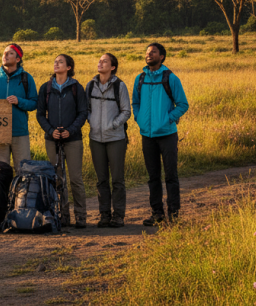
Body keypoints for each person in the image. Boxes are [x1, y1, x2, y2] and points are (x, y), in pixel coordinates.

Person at [133, 42, 189, 226]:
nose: (149, 54)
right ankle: (157, 213)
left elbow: (183, 104)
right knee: (153, 177)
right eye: (147, 52)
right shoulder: (140, 78)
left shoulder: (170, 78)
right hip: (147, 135)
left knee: (171, 176)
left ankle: (173, 214)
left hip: (167, 135)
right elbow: (135, 103)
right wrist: (139, 118)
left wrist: (168, 119)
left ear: (162, 56)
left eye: (153, 52)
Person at [36, 54, 89, 228]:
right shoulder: (45, 88)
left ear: (68, 67)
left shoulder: (76, 88)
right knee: (58, 179)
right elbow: (40, 115)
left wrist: (70, 130)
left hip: (73, 139)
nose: (56, 64)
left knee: (75, 179)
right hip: (52, 140)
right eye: (55, 62)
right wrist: (51, 131)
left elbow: (83, 112)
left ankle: (81, 216)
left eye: (60, 62)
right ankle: (63, 216)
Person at [85, 53, 132, 228]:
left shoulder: (120, 86)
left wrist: (113, 125)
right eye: (99, 60)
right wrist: (92, 122)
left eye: (105, 61)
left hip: (116, 138)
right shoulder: (91, 85)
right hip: (95, 139)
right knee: (101, 179)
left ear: (112, 67)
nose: (100, 63)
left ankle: (118, 216)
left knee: (117, 179)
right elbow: (86, 109)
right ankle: (104, 215)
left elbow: (126, 111)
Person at [0, 43, 37, 169]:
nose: (5, 55)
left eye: (10, 53)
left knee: (24, 171)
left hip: (20, 132)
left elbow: (34, 103)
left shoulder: (27, 78)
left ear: (18, 59)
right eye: (4, 53)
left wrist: (19, 101)